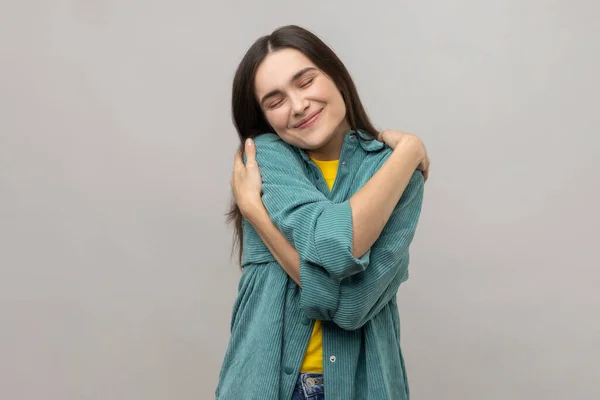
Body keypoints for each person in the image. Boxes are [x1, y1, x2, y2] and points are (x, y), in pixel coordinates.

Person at [216, 25, 429, 400]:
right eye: (275, 101)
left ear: (335, 76)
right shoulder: (266, 158)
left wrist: (259, 217)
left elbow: (352, 308)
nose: (298, 106)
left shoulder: (396, 173)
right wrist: (410, 151)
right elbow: (332, 241)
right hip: (261, 386)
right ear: (265, 117)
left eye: (305, 81)